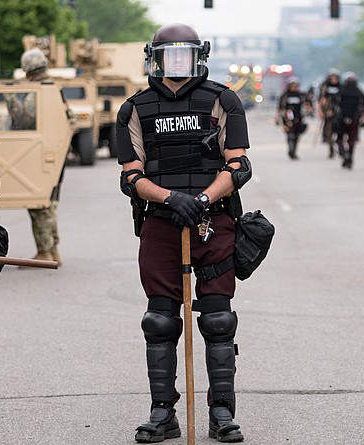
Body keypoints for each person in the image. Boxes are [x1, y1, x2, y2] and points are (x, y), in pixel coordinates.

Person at [116, 23, 251, 443]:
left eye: (185, 55)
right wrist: (171, 198)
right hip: (160, 222)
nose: (177, 63)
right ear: (154, 59)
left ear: (199, 57)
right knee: (159, 320)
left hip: (213, 221)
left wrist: (204, 200)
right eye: (168, 55)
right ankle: (162, 412)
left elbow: (239, 165)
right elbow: (130, 175)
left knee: (217, 318)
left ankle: (223, 410)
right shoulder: (134, 108)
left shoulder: (222, 100)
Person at [10, 48, 63, 265]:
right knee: (49, 205)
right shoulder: (53, 88)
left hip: (40, 154)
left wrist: (12, 101)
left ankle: (45, 252)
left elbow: (25, 120)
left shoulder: (39, 91)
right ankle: (53, 251)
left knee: (40, 205)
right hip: (54, 153)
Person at [335, 72, 364, 169]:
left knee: (340, 139)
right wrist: (363, 120)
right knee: (352, 140)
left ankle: (345, 155)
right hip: (354, 120)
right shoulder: (360, 93)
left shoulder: (340, 91)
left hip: (342, 118)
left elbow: (335, 105)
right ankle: (349, 157)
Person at [276, 77, 312, 160]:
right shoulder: (285, 95)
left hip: (299, 117)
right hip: (287, 118)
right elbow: (280, 108)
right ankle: (291, 151)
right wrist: (277, 118)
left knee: (296, 135)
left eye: (295, 86)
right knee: (290, 135)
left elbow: (308, 105)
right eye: (292, 85)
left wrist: (309, 109)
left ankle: (294, 151)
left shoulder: (302, 95)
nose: (294, 87)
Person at [318, 68, 341, 158]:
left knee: (339, 131)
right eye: (332, 78)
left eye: (336, 78)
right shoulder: (325, 87)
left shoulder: (341, 87)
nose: (334, 80)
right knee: (329, 132)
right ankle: (331, 149)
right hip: (328, 111)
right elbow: (320, 100)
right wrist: (321, 111)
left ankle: (340, 148)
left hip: (338, 112)